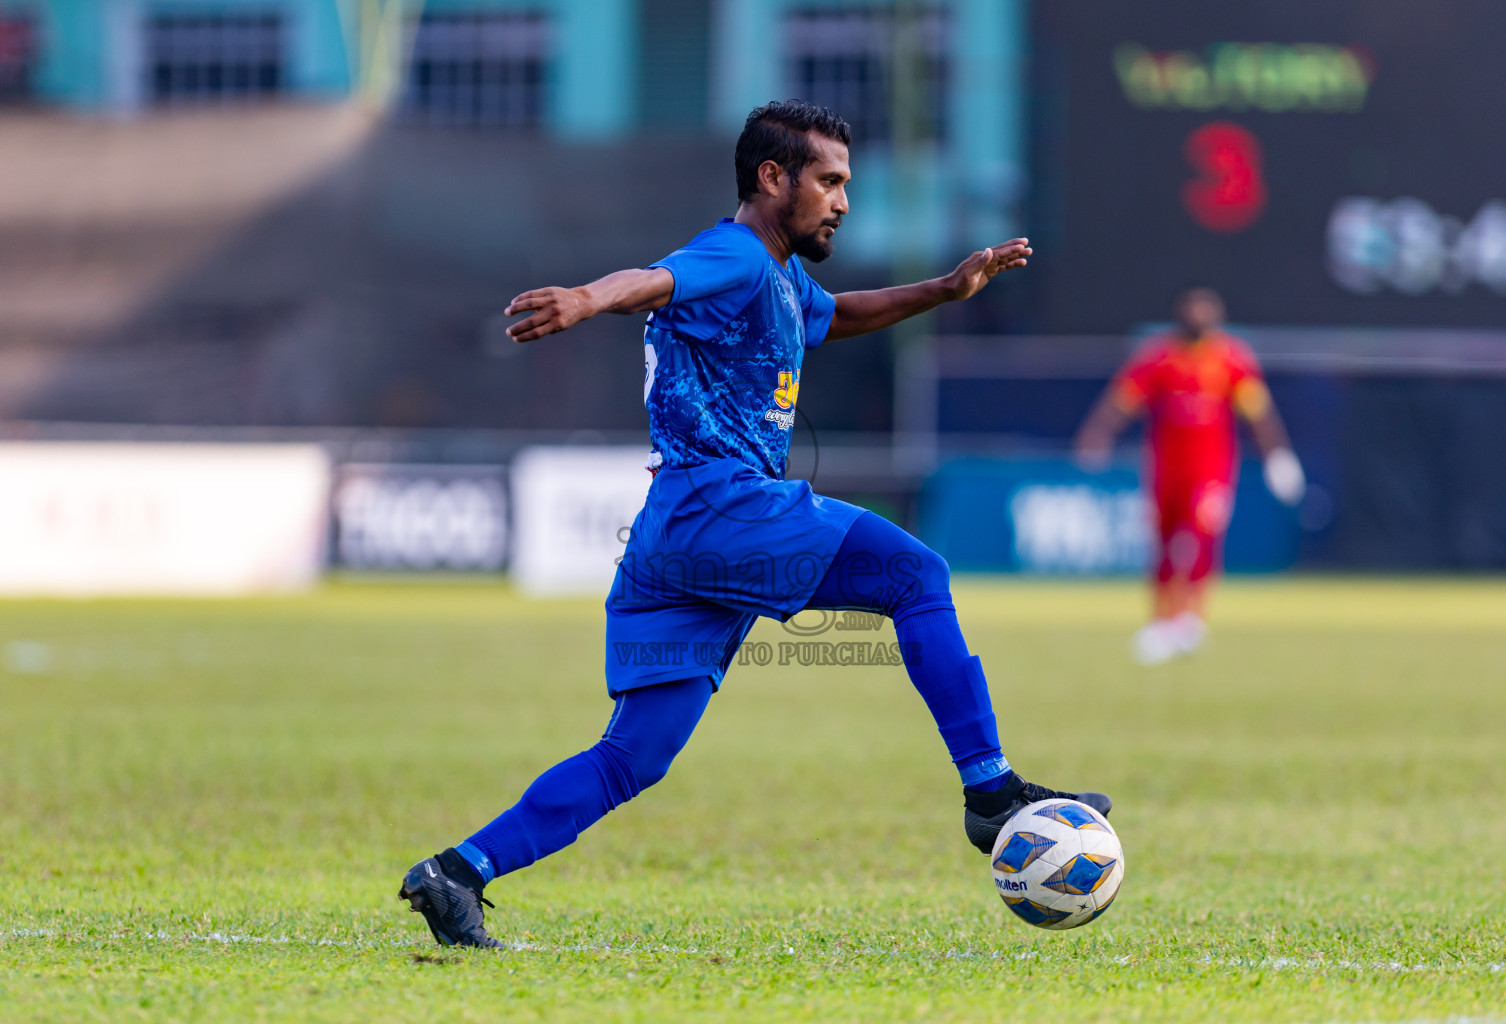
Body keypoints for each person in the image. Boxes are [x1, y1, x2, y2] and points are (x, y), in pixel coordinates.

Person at [397, 100, 1111, 948]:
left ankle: (457, 871)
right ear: (773, 178)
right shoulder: (735, 252)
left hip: (674, 538)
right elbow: (656, 281)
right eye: (830, 181)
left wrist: (946, 289)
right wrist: (590, 297)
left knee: (634, 758)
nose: (844, 201)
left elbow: (833, 317)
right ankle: (991, 791)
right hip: (721, 508)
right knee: (915, 575)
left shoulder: (778, 276)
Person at [1074, 288, 1305, 665]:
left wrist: (1278, 456)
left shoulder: (1231, 360)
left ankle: (1192, 619)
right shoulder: (1159, 359)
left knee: (1201, 536)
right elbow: (1121, 401)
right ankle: (1162, 620)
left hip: (1211, 468)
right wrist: (1096, 435)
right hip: (1166, 466)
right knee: (1163, 540)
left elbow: (1259, 414)